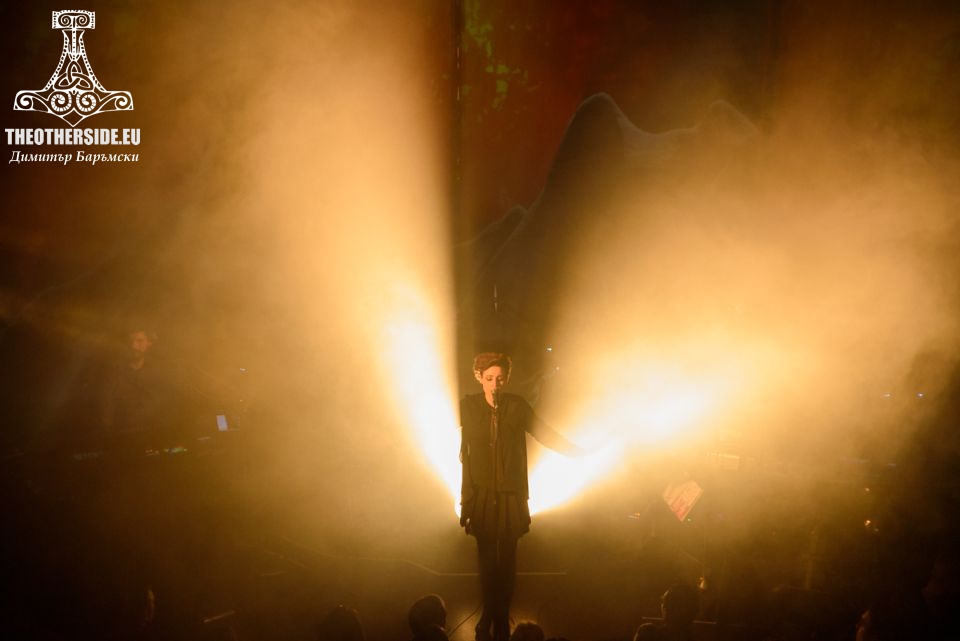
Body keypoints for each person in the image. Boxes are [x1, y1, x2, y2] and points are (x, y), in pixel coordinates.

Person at [459, 353, 579, 641]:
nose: (495, 385)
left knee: (508, 561)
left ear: (506, 380)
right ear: (479, 378)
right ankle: (492, 616)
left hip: (510, 494)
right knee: (487, 562)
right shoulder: (469, 407)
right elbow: (466, 455)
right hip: (482, 493)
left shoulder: (516, 406)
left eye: (500, 379)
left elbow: (543, 433)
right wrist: (467, 499)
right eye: (489, 379)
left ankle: (497, 617)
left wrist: (576, 451)